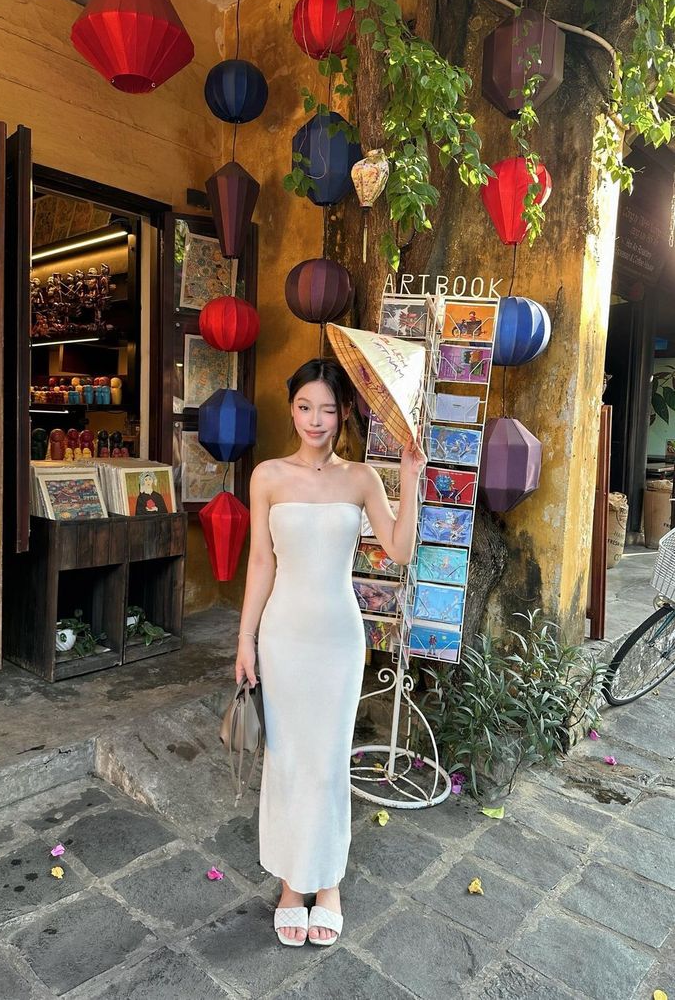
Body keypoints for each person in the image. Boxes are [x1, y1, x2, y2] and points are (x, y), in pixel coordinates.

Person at [235, 357, 426, 948]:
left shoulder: (363, 478)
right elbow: (262, 562)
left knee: (329, 759)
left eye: (326, 408)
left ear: (344, 412)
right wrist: (245, 639)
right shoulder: (266, 476)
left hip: (340, 639)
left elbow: (397, 551)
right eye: (303, 407)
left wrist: (412, 476)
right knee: (288, 757)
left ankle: (330, 884)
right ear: (291, 409)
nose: (315, 420)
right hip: (283, 635)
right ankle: (295, 884)